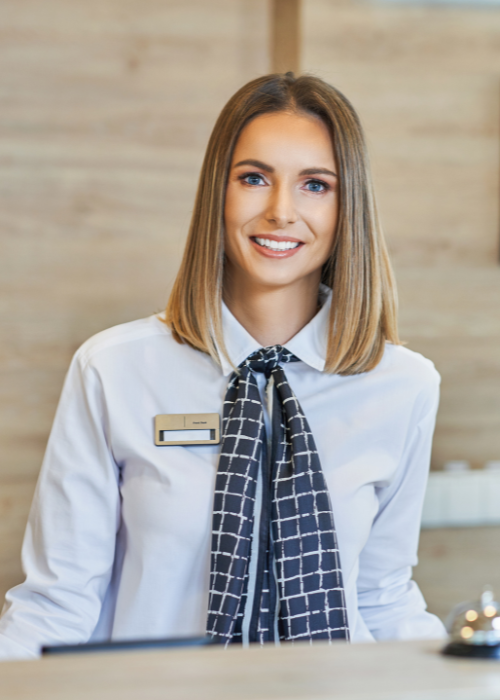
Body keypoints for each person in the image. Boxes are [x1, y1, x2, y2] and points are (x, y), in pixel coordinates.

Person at [0, 73, 446, 660]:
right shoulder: (111, 370)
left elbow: (382, 596)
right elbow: (57, 602)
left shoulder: (404, 385)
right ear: (219, 191)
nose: (281, 211)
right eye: (254, 178)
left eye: (315, 185)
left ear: (347, 207)